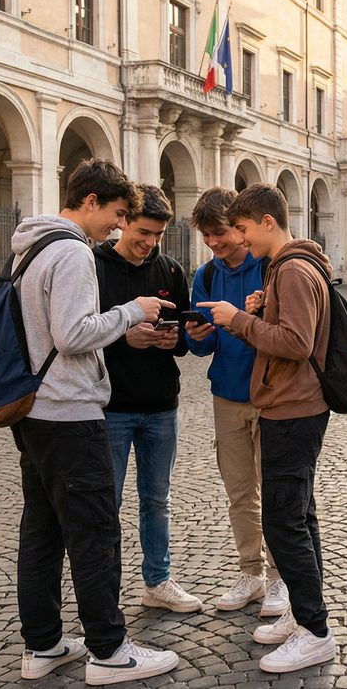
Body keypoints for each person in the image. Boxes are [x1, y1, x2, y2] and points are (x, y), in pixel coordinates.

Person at [10, 158, 178, 685]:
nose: (118, 225)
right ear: (89, 202)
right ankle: (110, 651)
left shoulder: (29, 248)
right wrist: (133, 310)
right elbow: (73, 334)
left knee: (41, 532)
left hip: (33, 411)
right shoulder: (73, 251)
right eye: (117, 213)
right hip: (69, 412)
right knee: (94, 533)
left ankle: (43, 645)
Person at [199, 183, 338, 673]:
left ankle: (316, 631)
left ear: (266, 222)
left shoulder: (295, 269)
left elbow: (296, 343)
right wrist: (262, 309)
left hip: (292, 407)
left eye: (241, 229)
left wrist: (239, 320)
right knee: (299, 516)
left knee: (284, 521)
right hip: (289, 404)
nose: (239, 239)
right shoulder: (290, 267)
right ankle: (305, 616)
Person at [184, 187, 290, 619]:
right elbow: (199, 347)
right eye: (207, 236)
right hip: (226, 395)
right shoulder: (205, 277)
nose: (215, 243)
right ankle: (251, 572)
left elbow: (290, 331)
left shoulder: (270, 266)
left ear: (239, 226)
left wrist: (251, 317)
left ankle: (283, 578)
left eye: (221, 233)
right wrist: (196, 338)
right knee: (240, 492)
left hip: (272, 395)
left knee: (280, 492)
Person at [93, 185, 198, 614]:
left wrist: (176, 339)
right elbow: (78, 334)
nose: (150, 242)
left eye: (158, 235)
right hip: (111, 406)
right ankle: (105, 593)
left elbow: (184, 342)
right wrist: (124, 338)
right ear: (123, 223)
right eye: (143, 232)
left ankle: (158, 580)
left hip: (161, 405)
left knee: (158, 499)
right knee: (108, 502)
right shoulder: (94, 267)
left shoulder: (171, 271)